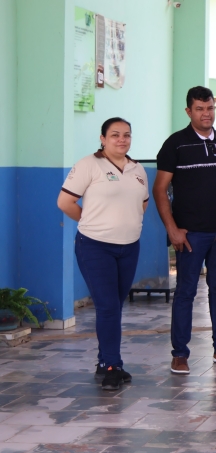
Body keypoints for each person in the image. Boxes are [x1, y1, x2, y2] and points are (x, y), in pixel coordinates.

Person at [154, 86, 216, 375]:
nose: (206, 114)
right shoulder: (175, 144)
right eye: (199, 109)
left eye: (210, 108)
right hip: (191, 235)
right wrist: (172, 229)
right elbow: (159, 190)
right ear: (189, 111)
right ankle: (179, 354)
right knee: (186, 293)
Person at [57, 117, 148, 390]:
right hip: (95, 246)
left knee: (114, 306)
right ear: (103, 139)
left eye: (126, 135)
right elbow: (65, 202)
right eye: (115, 135)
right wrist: (91, 221)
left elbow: (142, 204)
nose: (122, 139)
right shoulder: (89, 165)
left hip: (129, 247)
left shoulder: (138, 169)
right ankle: (112, 366)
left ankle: (104, 361)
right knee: (108, 307)